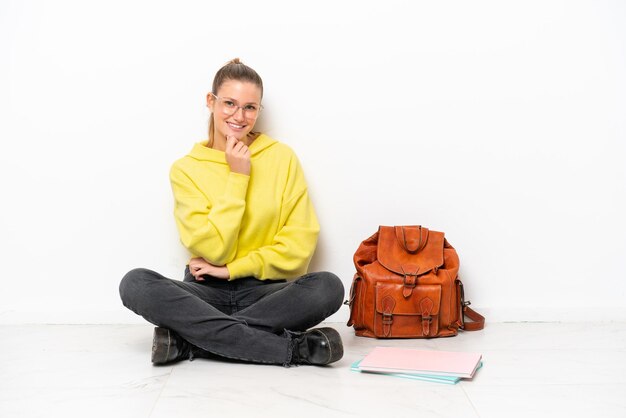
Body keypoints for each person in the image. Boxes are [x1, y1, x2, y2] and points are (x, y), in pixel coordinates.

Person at [119, 58, 345, 367]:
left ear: (259, 110)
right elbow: (213, 248)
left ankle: (189, 342)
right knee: (136, 283)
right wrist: (238, 177)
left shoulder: (281, 158)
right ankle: (294, 350)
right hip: (205, 292)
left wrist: (231, 269)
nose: (239, 116)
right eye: (229, 103)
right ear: (210, 101)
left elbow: (299, 248)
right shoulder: (186, 169)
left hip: (267, 293)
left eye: (250, 107)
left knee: (327, 287)